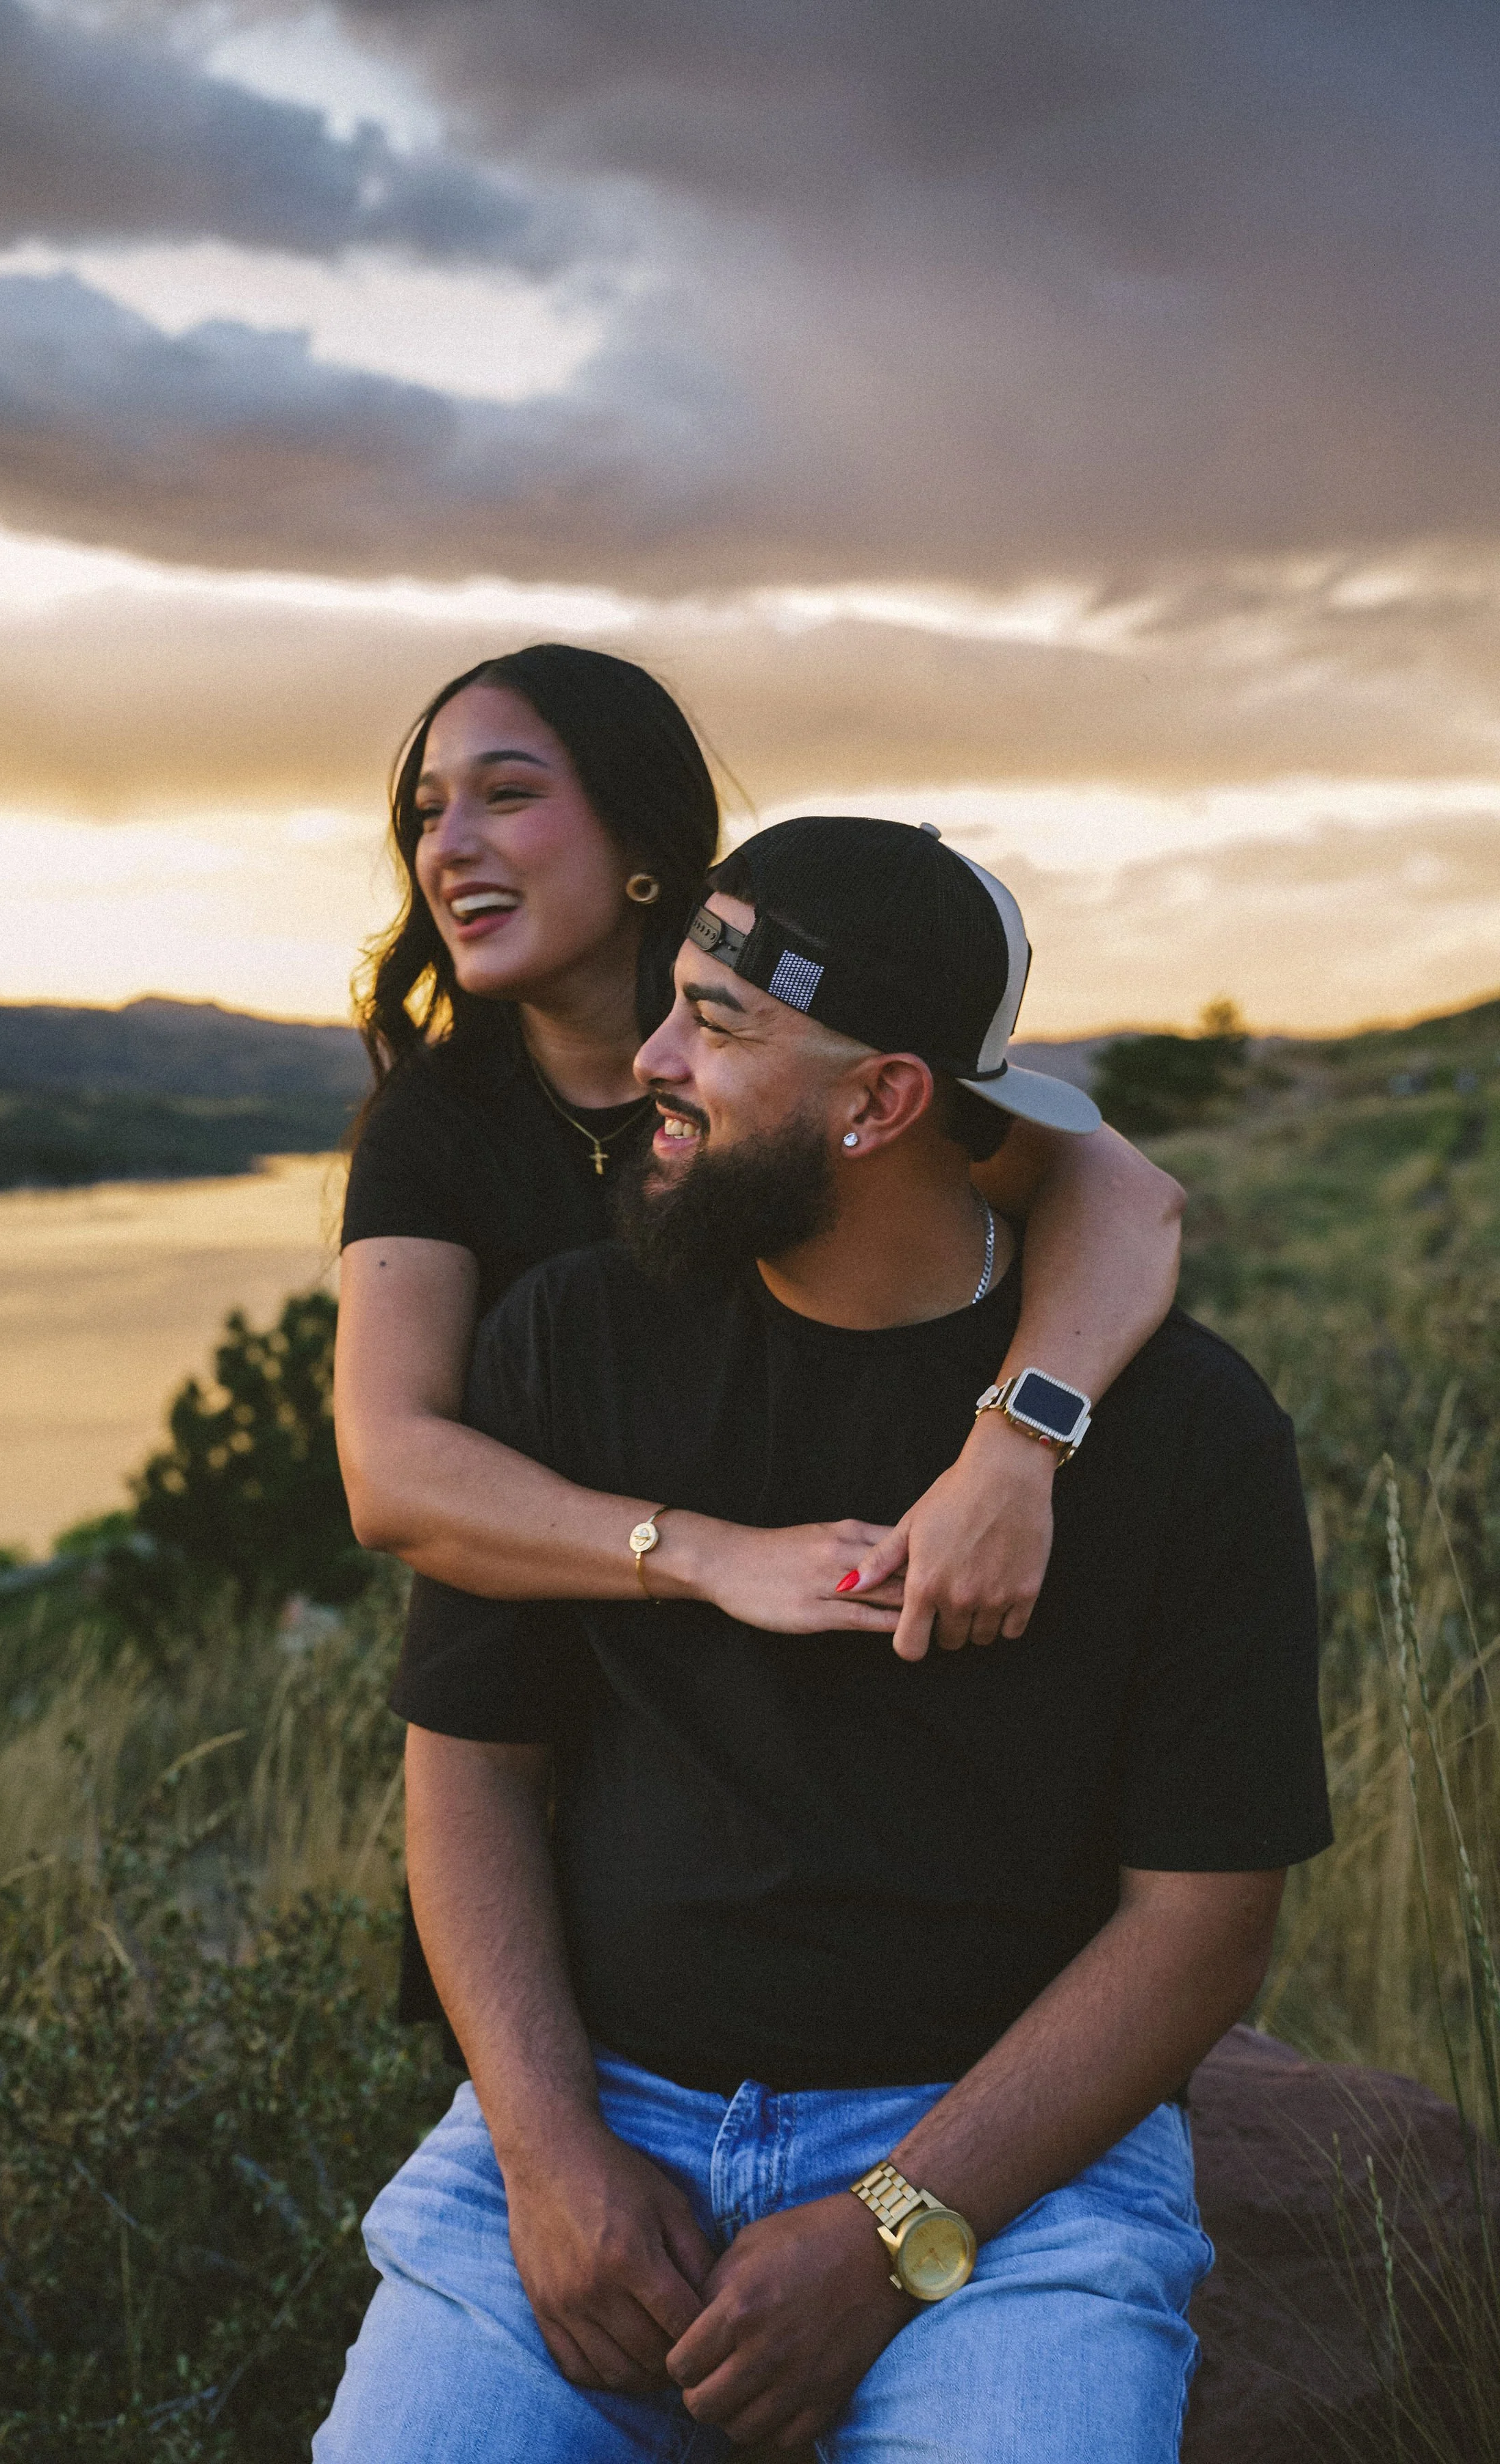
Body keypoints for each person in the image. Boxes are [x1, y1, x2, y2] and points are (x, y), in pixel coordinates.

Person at [314, 817, 1332, 2463]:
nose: (648, 1060)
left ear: (881, 1102)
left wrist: (889, 2230)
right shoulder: (574, 1343)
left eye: (714, 1024)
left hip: (1010, 2181)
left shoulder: (1185, 1430)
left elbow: (1205, 1926)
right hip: (603, 2122)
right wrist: (550, 2157)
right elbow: (470, 1772)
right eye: (670, 1003)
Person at [336, 642, 1184, 1660]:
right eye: (427, 814)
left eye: (506, 795)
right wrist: (709, 1556)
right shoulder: (438, 1120)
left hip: (824, 1623)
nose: (447, 847)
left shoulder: (787, 1016)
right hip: (545, 1625)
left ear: (637, 829)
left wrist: (1014, 1451)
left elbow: (1124, 1195)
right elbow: (388, 1475)